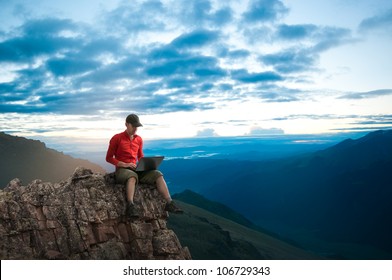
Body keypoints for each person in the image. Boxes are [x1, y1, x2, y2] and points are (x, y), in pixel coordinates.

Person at [106, 113, 183, 218]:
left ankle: (169, 203)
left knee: (158, 174)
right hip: (122, 170)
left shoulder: (139, 139)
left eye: (137, 126)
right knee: (132, 177)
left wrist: (147, 164)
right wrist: (124, 164)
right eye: (133, 126)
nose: (135, 129)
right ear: (126, 124)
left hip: (135, 169)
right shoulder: (117, 138)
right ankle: (130, 205)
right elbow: (109, 158)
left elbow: (140, 156)